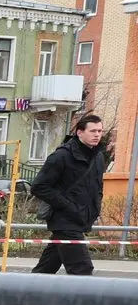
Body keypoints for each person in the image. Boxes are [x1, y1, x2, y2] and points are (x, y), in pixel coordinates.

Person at [29, 113, 108, 275]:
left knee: (46, 269)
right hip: (64, 221)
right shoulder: (62, 156)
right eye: (92, 131)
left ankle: (26, 291)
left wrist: (95, 209)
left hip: (81, 218)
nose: (97, 135)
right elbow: (39, 187)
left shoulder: (98, 156)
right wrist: (68, 206)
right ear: (80, 132)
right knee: (82, 269)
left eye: (100, 131)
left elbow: (97, 187)